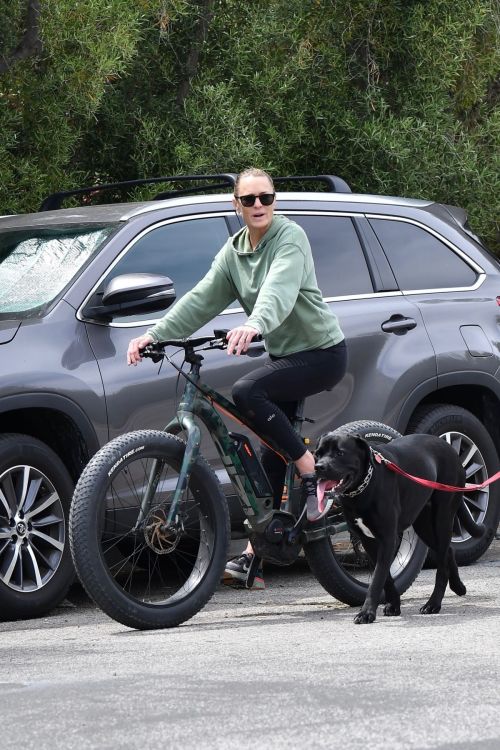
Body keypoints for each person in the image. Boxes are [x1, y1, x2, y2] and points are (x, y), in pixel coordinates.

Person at [127, 167, 347, 589]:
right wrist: (156, 334)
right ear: (237, 205)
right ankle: (256, 557)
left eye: (265, 197)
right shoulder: (233, 252)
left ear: (274, 200)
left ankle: (312, 468)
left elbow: (279, 289)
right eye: (249, 200)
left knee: (249, 391)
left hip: (321, 353)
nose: (259, 205)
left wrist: (255, 324)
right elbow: (201, 299)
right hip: (286, 354)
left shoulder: (290, 238)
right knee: (267, 454)